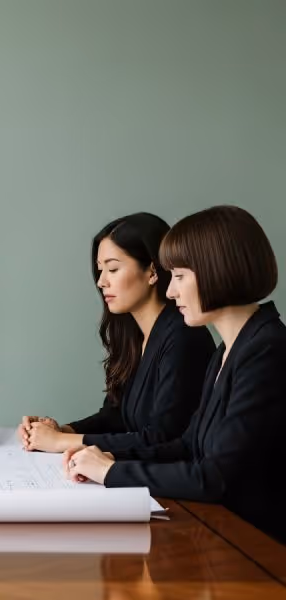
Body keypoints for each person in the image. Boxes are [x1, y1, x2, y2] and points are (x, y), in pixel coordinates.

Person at [65, 205, 285, 544]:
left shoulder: (267, 350)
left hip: (257, 550)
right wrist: (110, 458)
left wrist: (111, 472)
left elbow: (215, 477)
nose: (170, 291)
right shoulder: (230, 349)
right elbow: (187, 445)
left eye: (180, 276)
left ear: (218, 271)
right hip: (221, 536)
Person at [19, 213, 215, 454]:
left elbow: (165, 437)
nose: (101, 281)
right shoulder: (133, 335)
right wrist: (63, 431)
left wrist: (62, 443)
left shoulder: (185, 337)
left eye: (112, 269)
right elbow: (116, 416)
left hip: (170, 486)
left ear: (152, 271)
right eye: (100, 270)